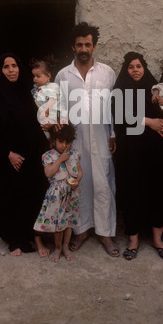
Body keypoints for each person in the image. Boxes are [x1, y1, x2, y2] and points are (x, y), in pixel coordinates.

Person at [54, 22, 119, 257]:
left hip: (101, 138)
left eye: (88, 44)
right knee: (79, 184)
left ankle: (105, 233)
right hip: (76, 141)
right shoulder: (63, 75)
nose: (84, 48)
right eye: (79, 44)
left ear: (95, 46)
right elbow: (59, 110)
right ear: (73, 46)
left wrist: (113, 133)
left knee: (103, 183)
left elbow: (114, 107)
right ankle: (81, 230)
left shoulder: (107, 73)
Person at [0, 52, 50, 256]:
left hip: (29, 156)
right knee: (10, 196)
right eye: (6, 67)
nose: (11, 70)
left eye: (14, 66)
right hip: (9, 160)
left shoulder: (25, 93)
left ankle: (30, 234)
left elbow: (34, 122)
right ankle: (14, 239)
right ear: (0, 71)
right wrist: (7, 153)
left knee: (30, 194)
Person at [113, 51, 163, 261]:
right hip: (130, 155)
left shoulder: (157, 89)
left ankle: (156, 239)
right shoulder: (119, 90)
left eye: (139, 66)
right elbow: (119, 117)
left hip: (155, 154)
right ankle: (133, 240)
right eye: (131, 67)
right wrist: (149, 121)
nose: (135, 70)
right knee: (131, 192)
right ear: (126, 70)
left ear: (145, 68)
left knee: (157, 192)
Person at [33, 123, 83, 262]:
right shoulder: (48, 156)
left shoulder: (73, 154)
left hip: (71, 194)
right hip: (56, 196)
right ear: (54, 140)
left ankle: (66, 247)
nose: (64, 145)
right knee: (58, 225)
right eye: (61, 142)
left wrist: (77, 180)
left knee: (68, 223)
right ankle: (58, 248)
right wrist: (60, 160)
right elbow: (48, 173)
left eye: (68, 142)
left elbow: (79, 171)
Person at [30, 57, 60, 139]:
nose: (34, 79)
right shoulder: (37, 87)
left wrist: (45, 113)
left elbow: (51, 101)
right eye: (34, 76)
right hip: (40, 114)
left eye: (38, 76)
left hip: (50, 114)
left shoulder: (52, 87)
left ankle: (50, 140)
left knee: (46, 129)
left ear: (48, 76)